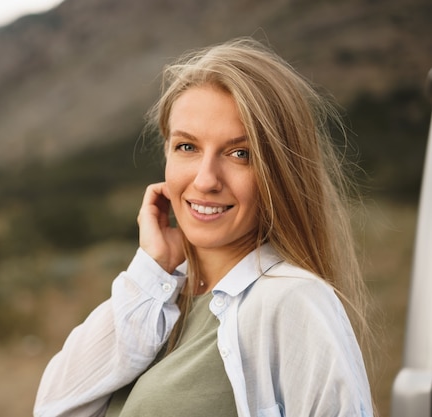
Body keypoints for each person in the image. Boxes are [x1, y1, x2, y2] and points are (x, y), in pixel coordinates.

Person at [33, 37, 374, 417]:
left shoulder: (292, 300)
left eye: (240, 154)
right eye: (187, 147)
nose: (206, 179)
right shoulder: (161, 293)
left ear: (280, 173)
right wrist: (152, 268)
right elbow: (54, 407)